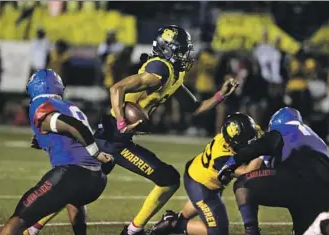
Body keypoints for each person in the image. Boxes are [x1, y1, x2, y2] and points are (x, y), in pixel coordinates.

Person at [95, 25, 239, 235]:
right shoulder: (160, 69)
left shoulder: (173, 73)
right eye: (181, 50)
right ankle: (132, 232)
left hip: (119, 138)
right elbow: (116, 88)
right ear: (167, 49)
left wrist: (221, 95)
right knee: (167, 179)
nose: (185, 55)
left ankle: (132, 231)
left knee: (85, 184)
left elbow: (195, 107)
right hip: (112, 137)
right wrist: (121, 123)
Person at [0, 69, 112, 235]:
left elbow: (74, 127)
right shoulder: (70, 106)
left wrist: (96, 153)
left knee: (17, 221)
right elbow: (74, 134)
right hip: (96, 180)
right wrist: (46, 141)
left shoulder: (40, 105)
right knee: (73, 199)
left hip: (71, 174)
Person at [217, 107, 329, 235]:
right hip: (327, 189)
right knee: (311, 231)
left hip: (299, 179)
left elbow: (262, 146)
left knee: (243, 184)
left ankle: (251, 232)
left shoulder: (283, 130)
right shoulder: (314, 137)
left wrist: (233, 161)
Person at [150, 113, 264, 235]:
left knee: (200, 203)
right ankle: (174, 224)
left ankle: (176, 218)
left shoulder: (242, 132)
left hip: (201, 173)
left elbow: (256, 134)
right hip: (201, 185)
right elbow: (247, 172)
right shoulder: (222, 157)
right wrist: (263, 151)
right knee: (218, 232)